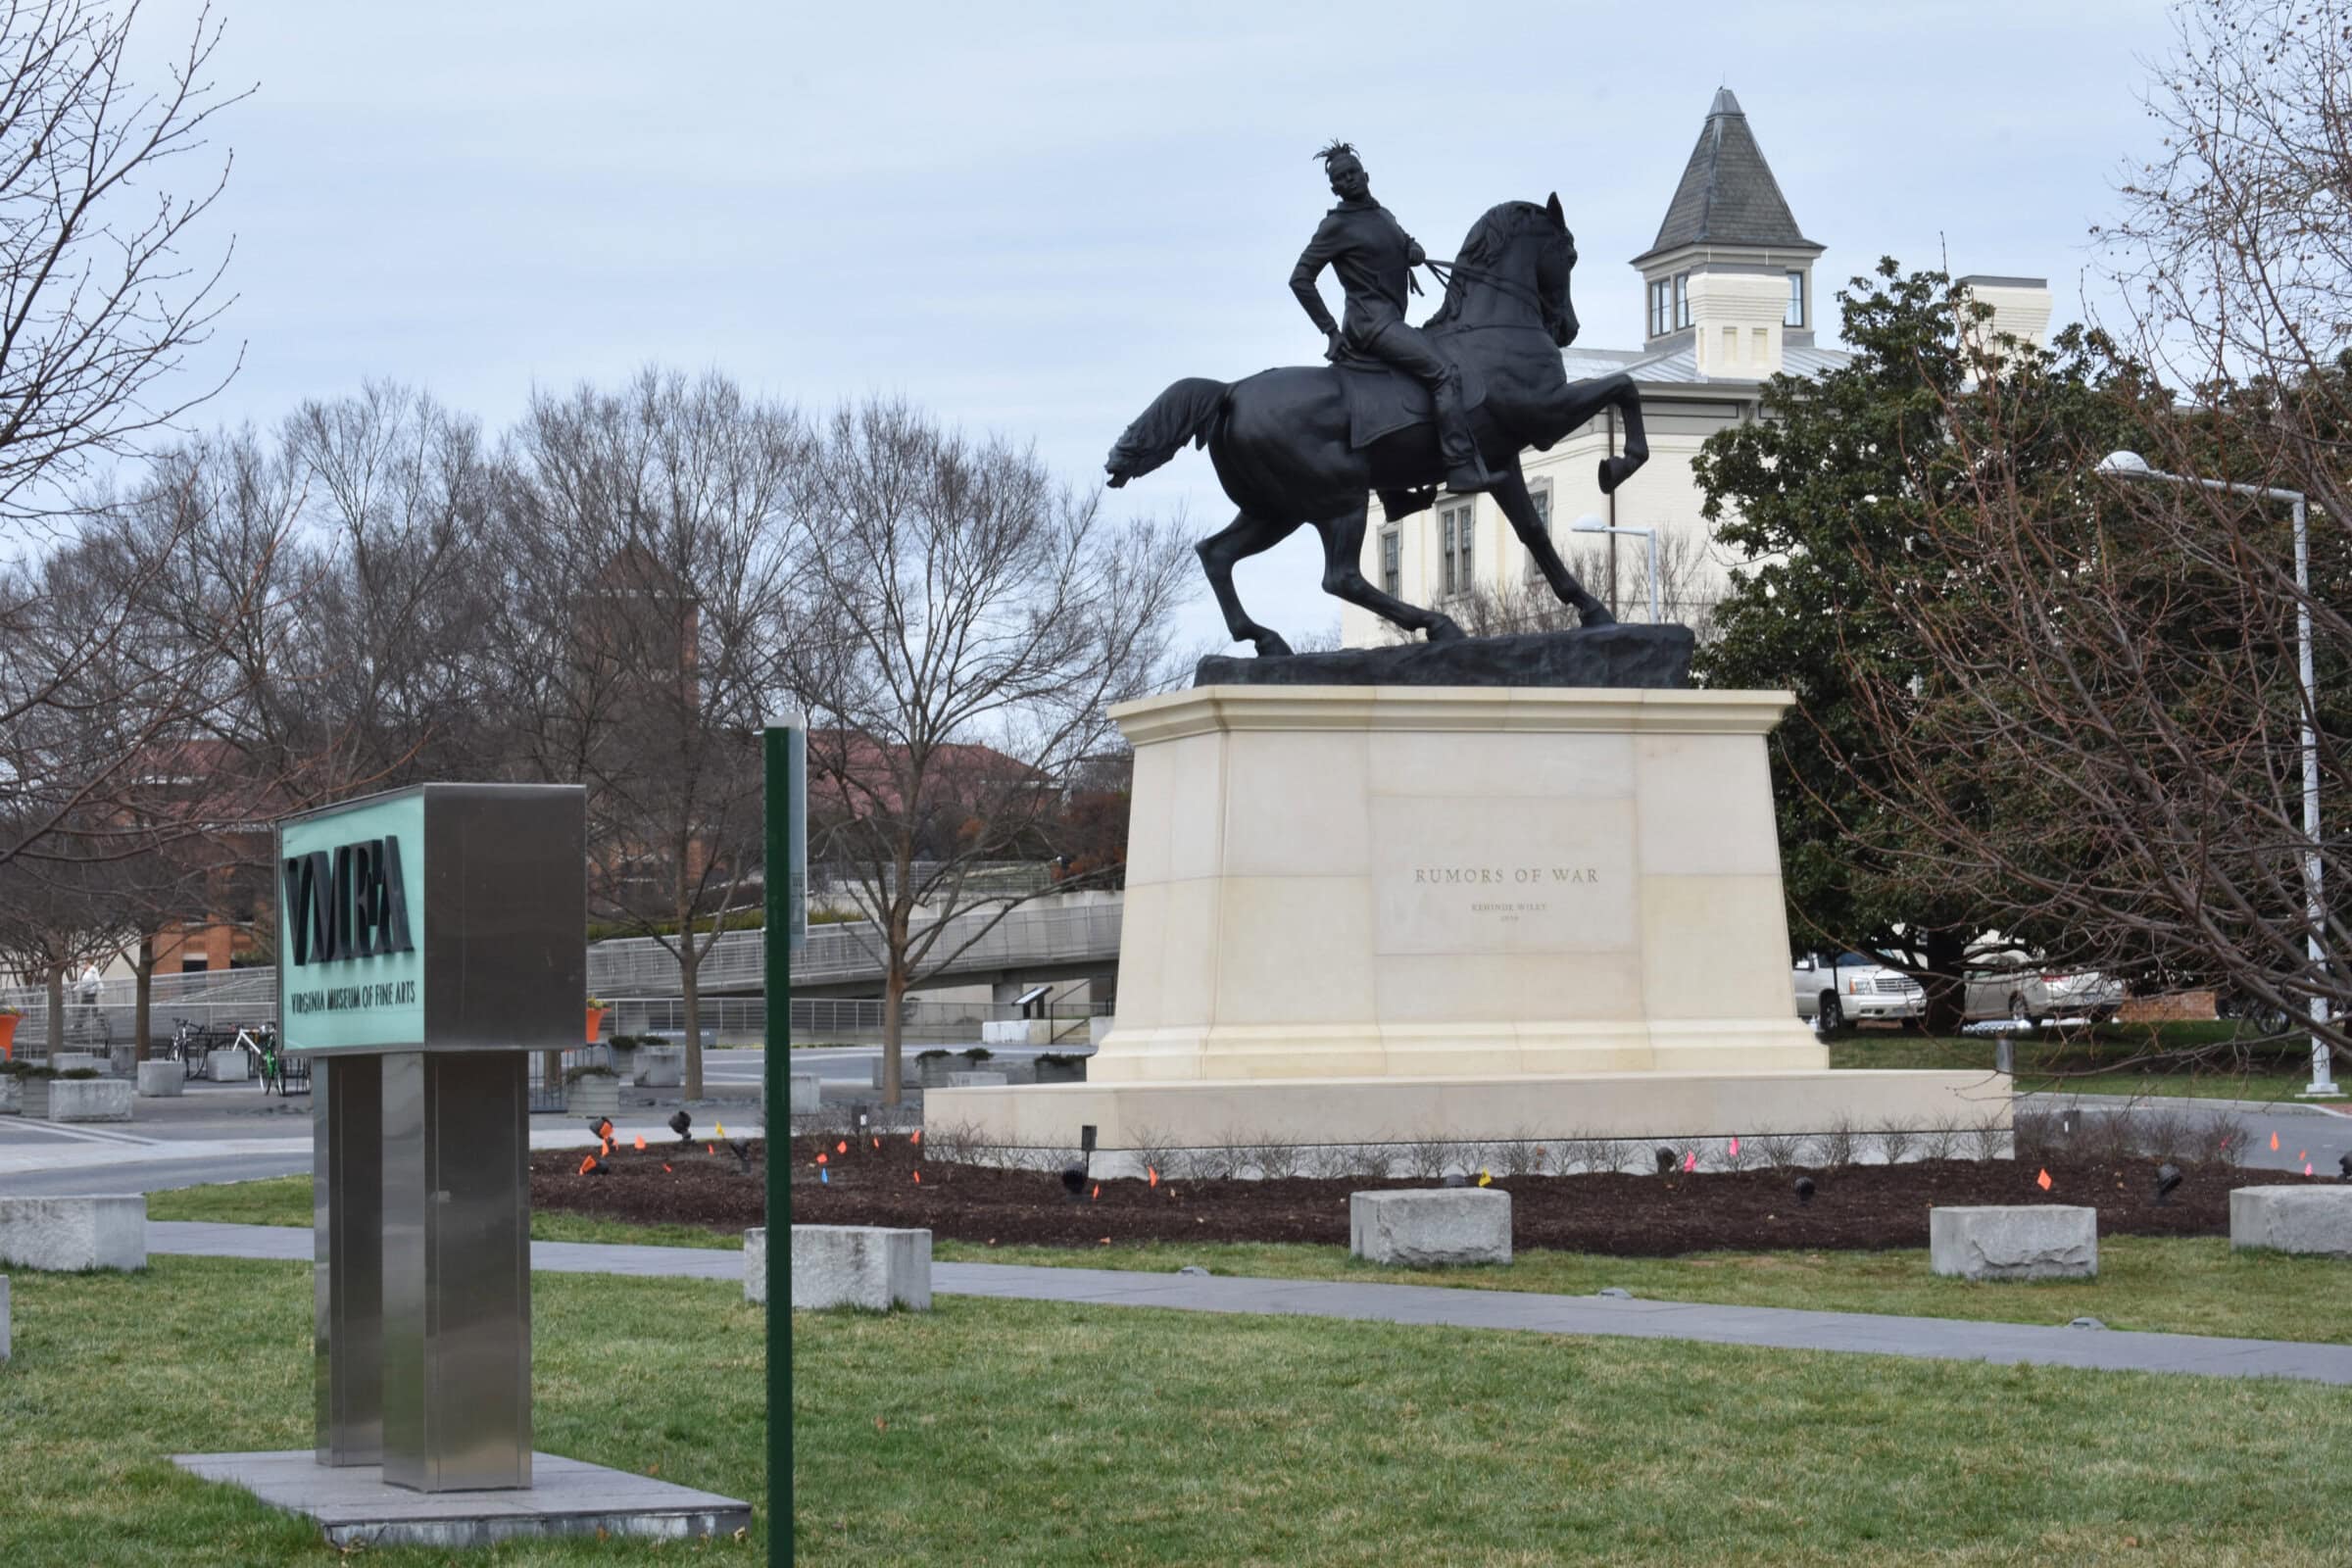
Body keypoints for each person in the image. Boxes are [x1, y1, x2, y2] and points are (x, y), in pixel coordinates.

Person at [1289, 140, 1491, 494]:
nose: (1348, 180)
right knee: (1443, 373)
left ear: (1366, 175)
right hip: (1371, 325)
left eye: (1352, 172)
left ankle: (1394, 492)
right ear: (1334, 187)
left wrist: (1412, 248)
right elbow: (1301, 278)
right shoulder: (1334, 227)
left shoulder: (1382, 214)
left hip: (1390, 319)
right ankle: (1459, 466)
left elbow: (1401, 239)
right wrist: (1330, 331)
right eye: (1340, 178)